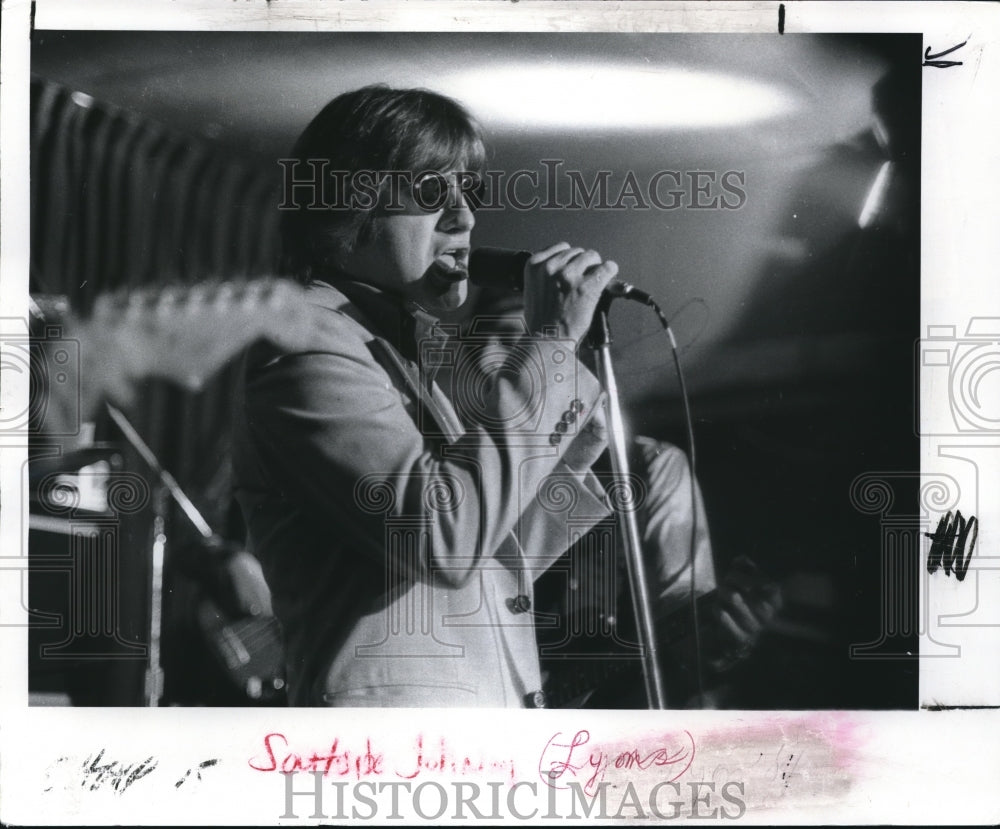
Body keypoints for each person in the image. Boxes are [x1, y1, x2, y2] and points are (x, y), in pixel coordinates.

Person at [231, 85, 619, 707]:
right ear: (347, 210)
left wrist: (570, 451)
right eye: (432, 192)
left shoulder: (404, 356)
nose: (464, 217)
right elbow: (442, 538)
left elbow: (485, 568)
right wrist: (547, 348)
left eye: (471, 192)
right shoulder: (305, 346)